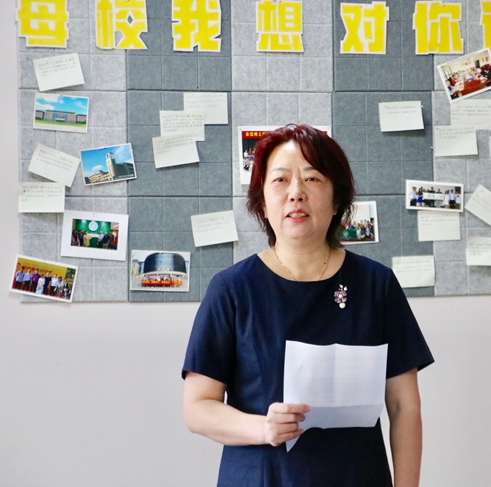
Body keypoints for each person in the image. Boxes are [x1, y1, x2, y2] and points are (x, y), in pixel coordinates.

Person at [182, 124, 433, 487]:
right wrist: (263, 428)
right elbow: (197, 407)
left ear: (336, 200)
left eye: (313, 179)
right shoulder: (232, 289)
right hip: (262, 477)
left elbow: (404, 405)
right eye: (280, 180)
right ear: (262, 203)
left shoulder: (376, 285)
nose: (296, 193)